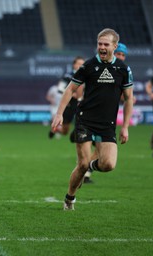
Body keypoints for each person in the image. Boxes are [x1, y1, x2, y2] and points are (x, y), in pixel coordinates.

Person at [51, 28, 134, 210]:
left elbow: (129, 99)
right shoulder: (88, 66)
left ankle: (87, 166)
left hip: (107, 124)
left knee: (108, 164)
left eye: (106, 44)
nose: (102, 47)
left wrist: (125, 127)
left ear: (114, 46)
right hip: (85, 120)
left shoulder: (123, 69)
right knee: (81, 165)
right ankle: (69, 198)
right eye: (99, 44)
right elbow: (70, 90)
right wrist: (59, 114)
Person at [83, 42, 132, 183]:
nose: (121, 57)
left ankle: (85, 171)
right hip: (89, 118)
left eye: (123, 55)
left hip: (106, 120)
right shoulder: (95, 67)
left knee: (101, 152)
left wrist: (127, 98)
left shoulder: (122, 71)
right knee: (99, 150)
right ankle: (84, 169)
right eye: (119, 54)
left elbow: (124, 96)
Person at [48, 56, 85, 140]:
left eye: (82, 64)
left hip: (82, 103)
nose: (80, 65)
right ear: (74, 65)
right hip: (70, 104)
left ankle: (78, 132)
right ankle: (56, 130)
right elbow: (60, 89)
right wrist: (73, 94)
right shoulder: (68, 76)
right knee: (65, 131)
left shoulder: (87, 75)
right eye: (79, 63)